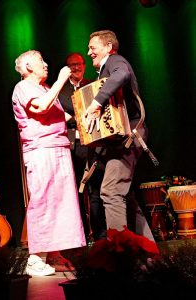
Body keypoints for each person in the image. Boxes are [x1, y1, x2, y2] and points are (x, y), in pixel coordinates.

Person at [11, 50, 86, 276]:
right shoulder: (23, 88)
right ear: (28, 67)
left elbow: (59, 116)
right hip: (42, 150)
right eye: (41, 61)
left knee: (61, 202)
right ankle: (35, 259)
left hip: (58, 147)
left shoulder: (43, 88)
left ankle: (53, 254)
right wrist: (62, 79)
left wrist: (85, 114)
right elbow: (41, 107)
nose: (46, 64)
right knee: (44, 200)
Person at [84, 30, 155, 241]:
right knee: (126, 196)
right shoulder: (104, 70)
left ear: (108, 46)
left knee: (111, 191)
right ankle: (148, 252)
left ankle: (119, 253)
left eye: (92, 47)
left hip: (130, 137)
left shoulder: (115, 60)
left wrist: (96, 103)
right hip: (121, 140)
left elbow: (122, 74)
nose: (89, 52)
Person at [58, 53, 107, 242]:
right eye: (72, 65)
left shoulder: (93, 85)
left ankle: (101, 234)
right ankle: (82, 234)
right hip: (73, 145)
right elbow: (66, 106)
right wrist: (77, 115)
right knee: (75, 189)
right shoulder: (61, 88)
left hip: (93, 143)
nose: (76, 68)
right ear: (67, 68)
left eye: (78, 64)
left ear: (84, 66)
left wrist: (72, 115)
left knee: (96, 189)